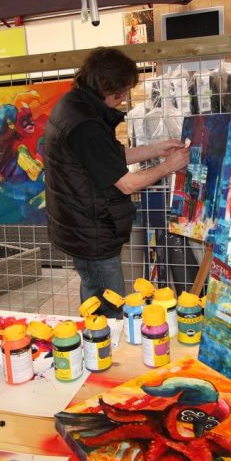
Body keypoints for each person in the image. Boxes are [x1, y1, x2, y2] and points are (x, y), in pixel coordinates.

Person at [44, 47, 190, 317]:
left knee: (94, 296)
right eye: (122, 93)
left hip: (81, 224)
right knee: (109, 309)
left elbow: (106, 158)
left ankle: (96, 337)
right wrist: (169, 166)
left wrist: (156, 149)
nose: (123, 99)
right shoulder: (85, 125)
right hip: (91, 231)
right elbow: (127, 184)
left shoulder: (75, 104)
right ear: (106, 86)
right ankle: (103, 342)